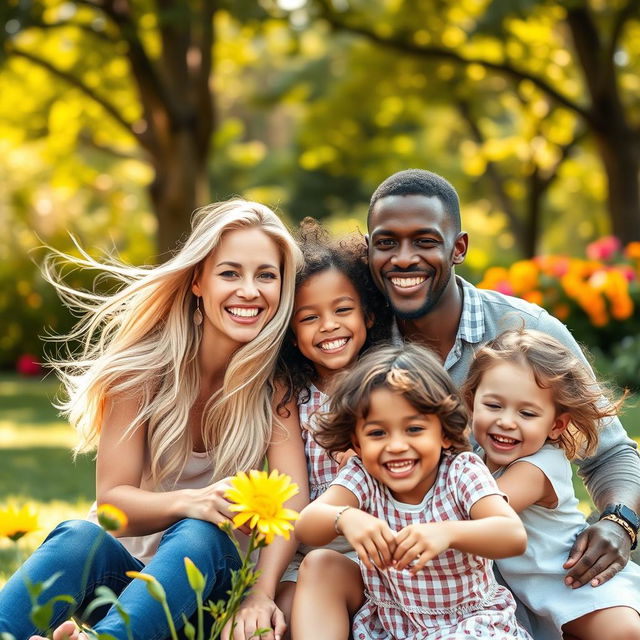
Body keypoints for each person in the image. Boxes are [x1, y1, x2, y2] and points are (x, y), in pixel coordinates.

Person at [0, 199, 306, 640]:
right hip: (124, 589)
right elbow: (112, 506)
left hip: (209, 599)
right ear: (198, 281)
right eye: (230, 273)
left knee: (202, 534)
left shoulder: (274, 385)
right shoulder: (142, 371)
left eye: (266, 275)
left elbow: (290, 505)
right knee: (77, 537)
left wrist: (260, 594)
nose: (250, 290)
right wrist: (190, 500)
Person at [364, 168, 640, 593]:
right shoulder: (362, 344)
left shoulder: (528, 330)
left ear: (458, 248)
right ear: (369, 251)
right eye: (386, 243)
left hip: (538, 579)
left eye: (425, 241)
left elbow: (612, 454)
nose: (403, 258)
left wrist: (619, 523)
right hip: (415, 587)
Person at [294, 343, 532, 640]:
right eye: (378, 433)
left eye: (414, 429)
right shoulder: (363, 476)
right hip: (395, 624)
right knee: (320, 564)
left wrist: (448, 533)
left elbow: (512, 534)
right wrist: (344, 517)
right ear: (356, 443)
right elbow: (306, 525)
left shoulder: (460, 471)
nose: (396, 446)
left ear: (444, 433)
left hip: (468, 625)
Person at [464, 328, 640, 640]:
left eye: (527, 413)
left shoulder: (537, 467)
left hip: (584, 585)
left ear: (557, 425)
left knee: (623, 632)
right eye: (493, 406)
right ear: (471, 402)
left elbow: (477, 510)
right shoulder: (480, 457)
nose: (506, 421)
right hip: (549, 595)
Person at [266, 219, 390, 628]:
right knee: (276, 617)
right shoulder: (289, 398)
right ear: (291, 332)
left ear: (368, 315)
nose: (329, 326)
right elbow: (292, 499)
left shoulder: (390, 386)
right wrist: (259, 594)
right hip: (306, 547)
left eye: (342, 310)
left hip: (376, 548)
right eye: (309, 317)